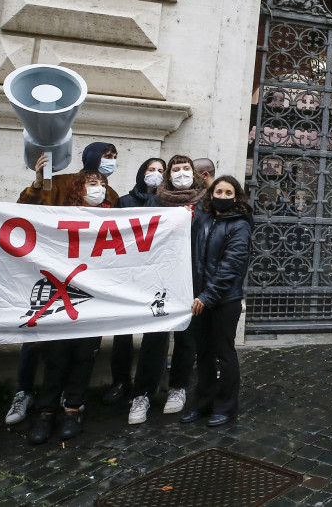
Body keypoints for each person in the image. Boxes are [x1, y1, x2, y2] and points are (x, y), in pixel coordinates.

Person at [27, 167, 116, 445]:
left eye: (101, 183)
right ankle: (46, 411)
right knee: (57, 357)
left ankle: (73, 409)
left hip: (95, 300)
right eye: (91, 182)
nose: (97, 187)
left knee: (83, 356)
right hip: (62, 297)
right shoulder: (59, 215)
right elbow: (26, 213)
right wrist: (38, 183)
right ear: (79, 186)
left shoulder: (115, 217)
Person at [180, 176, 252, 427]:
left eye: (227, 191)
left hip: (224, 300)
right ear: (211, 194)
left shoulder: (240, 225)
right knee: (204, 354)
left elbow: (232, 265)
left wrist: (208, 296)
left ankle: (226, 406)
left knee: (224, 353)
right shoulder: (202, 219)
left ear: (236, 195)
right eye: (218, 191)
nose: (222, 196)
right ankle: (202, 403)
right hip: (199, 299)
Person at [107, 157, 171, 422]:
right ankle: (121, 381)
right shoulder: (125, 201)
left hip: (159, 276)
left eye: (160, 171)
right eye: (150, 170)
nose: (155, 174)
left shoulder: (170, 203)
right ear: (141, 172)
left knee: (156, 334)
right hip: (130, 274)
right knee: (122, 333)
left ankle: (148, 387)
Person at [156, 155, 208, 414]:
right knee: (155, 336)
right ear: (168, 175)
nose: (181, 173)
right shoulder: (155, 201)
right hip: (160, 276)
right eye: (176, 169)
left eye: (186, 168)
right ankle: (145, 390)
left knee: (187, 337)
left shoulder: (206, 204)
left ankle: (178, 387)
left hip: (192, 277)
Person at [18, 141, 119, 207]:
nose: (112, 162)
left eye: (115, 158)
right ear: (93, 157)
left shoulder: (112, 195)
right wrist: (38, 183)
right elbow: (24, 209)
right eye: (108, 157)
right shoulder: (59, 184)